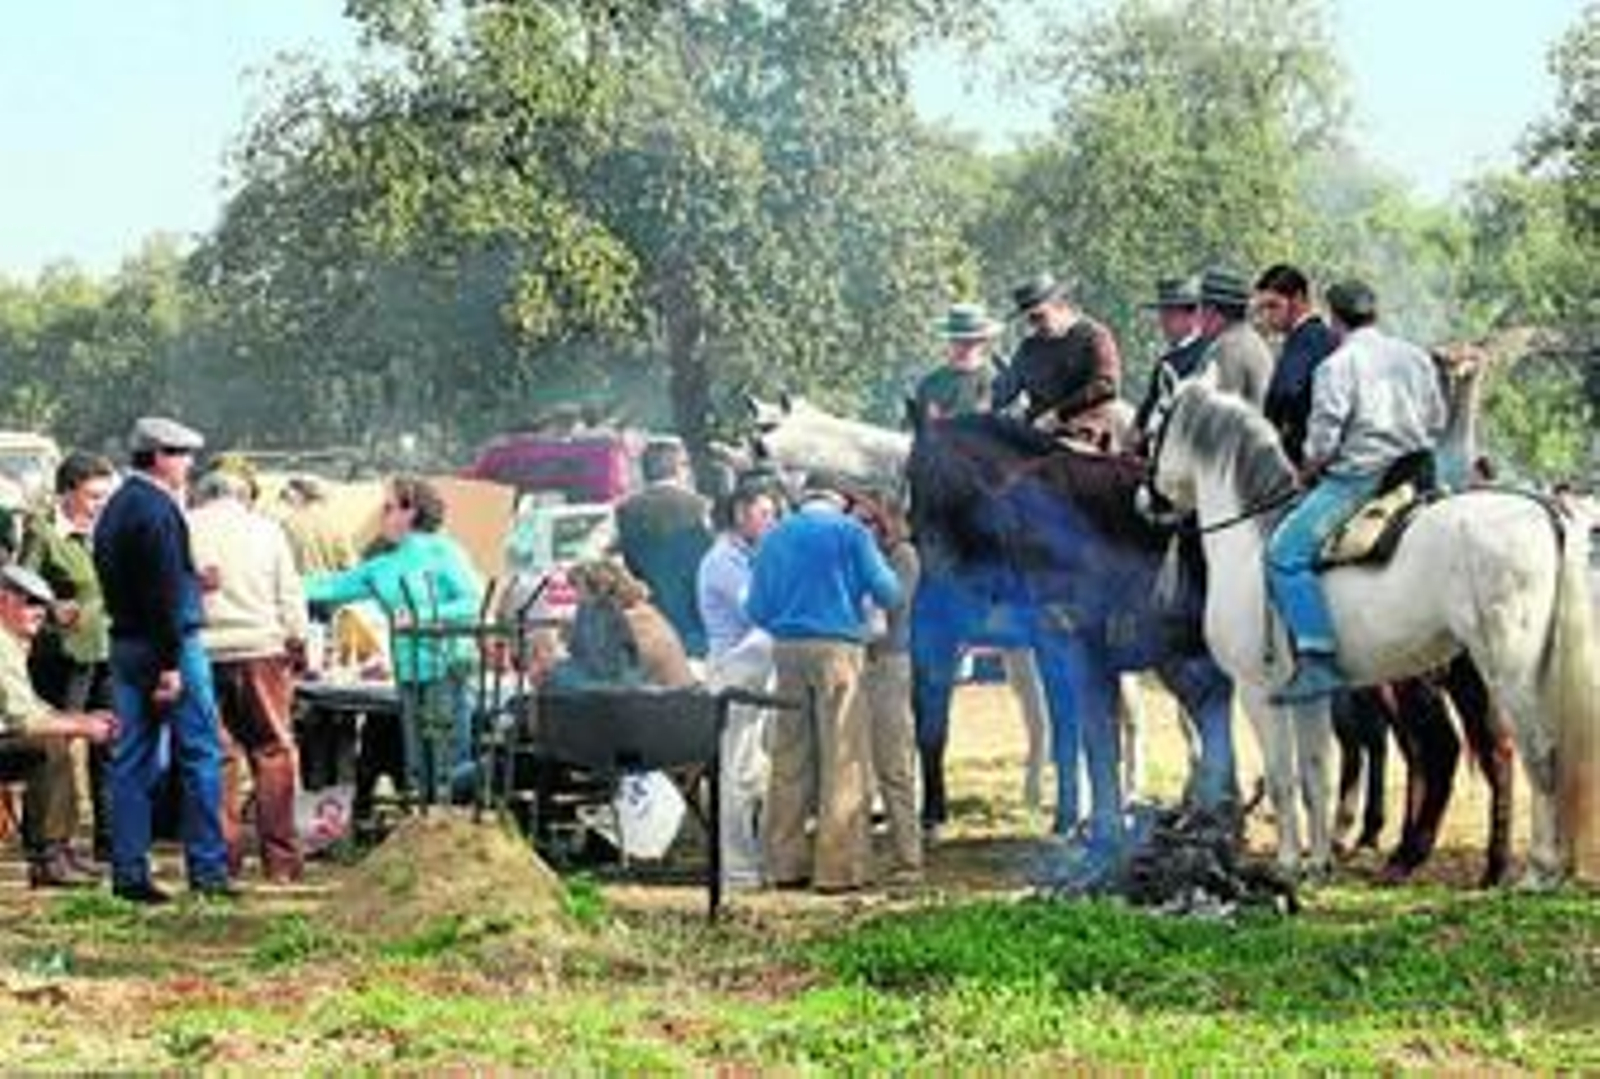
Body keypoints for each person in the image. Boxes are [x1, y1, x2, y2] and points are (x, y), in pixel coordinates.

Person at [1267, 280, 1448, 702]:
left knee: (1284, 555)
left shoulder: (1337, 365)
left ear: (1335, 320)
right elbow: (1437, 420)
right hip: (1420, 473)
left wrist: (1307, 470)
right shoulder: (1415, 355)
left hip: (1362, 481)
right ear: (1375, 315)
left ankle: (1317, 658)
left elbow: (1323, 444)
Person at [94, 416, 230, 904]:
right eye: (181, 454)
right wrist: (171, 664)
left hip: (125, 641)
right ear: (158, 457)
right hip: (169, 645)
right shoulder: (158, 510)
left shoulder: (116, 507)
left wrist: (189, 581)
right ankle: (208, 870)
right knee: (200, 755)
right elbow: (164, 594)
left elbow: (134, 580)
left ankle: (129, 871)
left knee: (131, 760)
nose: (189, 464)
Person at [746, 471, 902, 892]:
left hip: (787, 650)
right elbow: (889, 592)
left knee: (789, 759)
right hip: (838, 649)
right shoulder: (851, 533)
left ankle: (784, 864)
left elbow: (755, 608)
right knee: (843, 758)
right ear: (840, 499)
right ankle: (839, 868)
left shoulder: (776, 535)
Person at [305, 475, 484, 812]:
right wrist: (272, 579)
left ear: (411, 511)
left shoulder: (444, 551)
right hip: (408, 673)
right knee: (416, 767)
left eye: (387, 508)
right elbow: (329, 586)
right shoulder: (383, 566)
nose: (381, 516)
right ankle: (423, 830)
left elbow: (475, 602)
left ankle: (453, 832)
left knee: (448, 767)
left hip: (447, 669)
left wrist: (422, 615)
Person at [189, 468, 309, 883]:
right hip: (261, 650)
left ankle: (221, 857)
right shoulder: (267, 530)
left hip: (202, 651)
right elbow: (289, 593)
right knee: (273, 751)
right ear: (245, 497)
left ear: (201, 495)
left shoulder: (185, 527)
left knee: (216, 754)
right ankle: (281, 861)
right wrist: (297, 641)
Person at [19, 450, 118, 865]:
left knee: (110, 742)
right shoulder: (43, 533)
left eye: (104, 496)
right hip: (61, 655)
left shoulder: (106, 530)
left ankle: (110, 839)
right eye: (93, 496)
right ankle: (48, 842)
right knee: (56, 747)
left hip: (107, 651)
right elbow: (19, 590)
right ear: (67, 492)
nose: (99, 504)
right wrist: (51, 609)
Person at [0, 565, 118, 888]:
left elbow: (30, 707)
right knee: (48, 745)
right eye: (30, 603)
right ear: (3, 601)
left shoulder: (11, 641)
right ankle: (48, 859)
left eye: (43, 605)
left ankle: (58, 851)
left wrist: (81, 720)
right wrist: (81, 726)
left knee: (55, 738)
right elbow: (22, 720)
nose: (40, 612)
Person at [697, 481, 779, 888]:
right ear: (741, 514)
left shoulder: (745, 556)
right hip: (733, 670)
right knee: (734, 771)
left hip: (751, 670)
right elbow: (756, 610)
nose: (772, 523)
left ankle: (754, 860)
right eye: (765, 515)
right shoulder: (723, 561)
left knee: (752, 767)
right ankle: (737, 868)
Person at [850, 490, 922, 882]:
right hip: (861, 662)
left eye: (866, 521)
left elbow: (893, 606)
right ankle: (859, 857)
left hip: (887, 663)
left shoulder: (902, 556)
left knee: (893, 763)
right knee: (856, 766)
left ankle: (908, 857)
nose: (859, 527)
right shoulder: (867, 556)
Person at [993, 273, 1125, 449]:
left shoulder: (1094, 336)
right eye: (1030, 319)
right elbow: (1006, 388)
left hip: (1085, 434)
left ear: (1059, 305)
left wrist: (1058, 414)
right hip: (1036, 436)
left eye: (1039, 316)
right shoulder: (1029, 347)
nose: (1034, 325)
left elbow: (1106, 385)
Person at [615, 440, 714, 660]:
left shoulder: (626, 510)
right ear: (677, 467)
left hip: (652, 613)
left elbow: (630, 564)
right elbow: (707, 561)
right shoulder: (698, 505)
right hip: (694, 614)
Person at [554, 559, 694, 689]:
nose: (579, 601)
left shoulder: (638, 621)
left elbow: (611, 672)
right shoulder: (640, 613)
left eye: (581, 593)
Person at [1255, 264, 1340, 464]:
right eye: (1262, 308)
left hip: (1304, 457)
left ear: (1298, 299)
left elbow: (1285, 390)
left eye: (1273, 306)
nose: (1266, 315)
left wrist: (1269, 428)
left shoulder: (1308, 337)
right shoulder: (1317, 335)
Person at [1132, 275, 1209, 440]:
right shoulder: (1166, 360)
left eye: (1170, 315)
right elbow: (1148, 406)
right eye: (1162, 314)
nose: (1163, 322)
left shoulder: (1205, 355)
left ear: (1193, 316)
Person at [911, 303, 1003, 426]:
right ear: (948, 341)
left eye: (969, 342)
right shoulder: (929, 385)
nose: (961, 348)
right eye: (956, 341)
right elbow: (911, 431)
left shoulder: (999, 385)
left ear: (982, 343)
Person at [1194, 268, 1273, 408]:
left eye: (1200, 307)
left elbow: (1220, 413)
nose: (1197, 315)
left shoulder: (1226, 349)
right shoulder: (1253, 340)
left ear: (1211, 311)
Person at [275, 474, 357, 575]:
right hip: (332, 583)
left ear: (301, 497)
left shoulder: (287, 525)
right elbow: (351, 566)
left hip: (301, 582)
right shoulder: (336, 524)